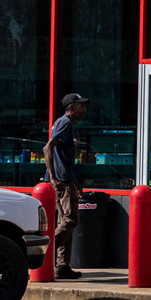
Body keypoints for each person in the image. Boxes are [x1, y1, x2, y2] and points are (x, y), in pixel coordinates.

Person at [46, 93, 89, 279]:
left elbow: (63, 157)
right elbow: (48, 147)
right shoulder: (64, 123)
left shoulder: (68, 124)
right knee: (71, 220)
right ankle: (42, 251)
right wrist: (54, 178)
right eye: (81, 106)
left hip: (66, 179)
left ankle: (62, 265)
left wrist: (74, 180)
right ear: (71, 107)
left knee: (65, 222)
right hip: (61, 181)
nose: (84, 110)